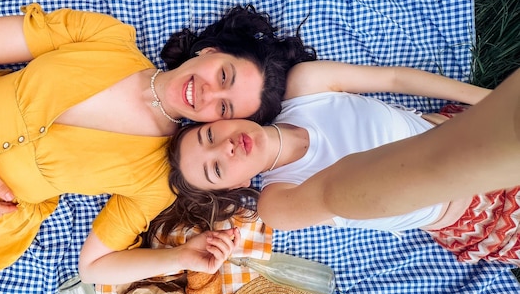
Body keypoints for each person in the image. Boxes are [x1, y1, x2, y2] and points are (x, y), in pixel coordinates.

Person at [0, 3, 313, 294]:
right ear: (209, 51)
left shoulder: (156, 178)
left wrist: (180, 256)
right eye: (224, 74)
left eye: (224, 107)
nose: (208, 93)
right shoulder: (107, 36)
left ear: (221, 124)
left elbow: (94, 266)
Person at [162, 60, 520, 265]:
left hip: (464, 125)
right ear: (236, 186)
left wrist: (489, 100)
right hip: (478, 214)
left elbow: (395, 79)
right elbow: (335, 195)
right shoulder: (277, 203)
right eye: (218, 168)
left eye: (209, 136)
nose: (225, 148)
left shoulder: (306, 85)